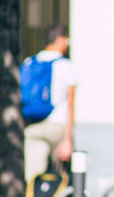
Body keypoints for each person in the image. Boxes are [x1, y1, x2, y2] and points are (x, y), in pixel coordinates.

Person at [23, 24, 77, 182]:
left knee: (34, 178)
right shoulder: (66, 66)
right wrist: (68, 140)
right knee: (60, 178)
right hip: (57, 126)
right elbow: (71, 106)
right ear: (60, 39)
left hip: (33, 126)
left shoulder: (29, 63)